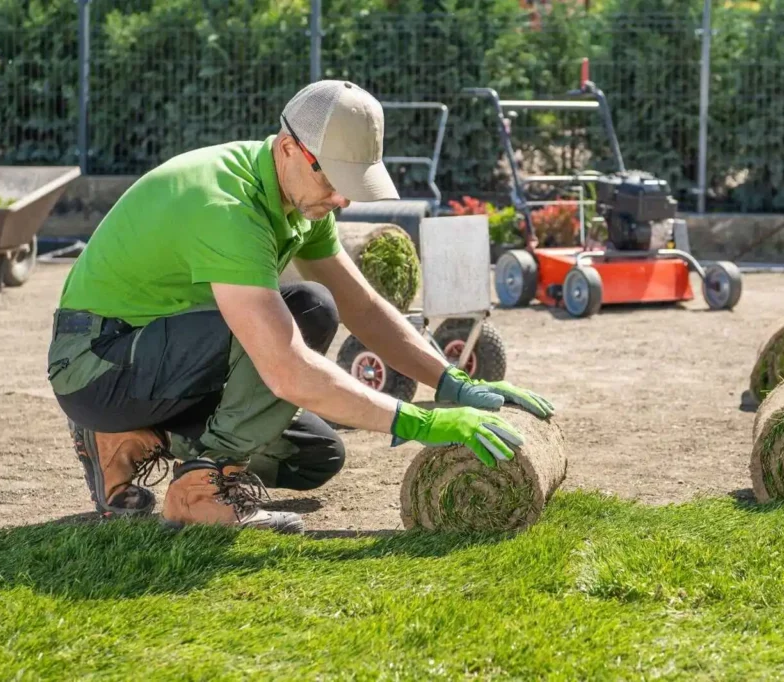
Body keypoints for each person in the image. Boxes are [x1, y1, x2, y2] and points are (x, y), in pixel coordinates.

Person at [46, 80, 554, 534]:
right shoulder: (228, 207)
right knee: (308, 308)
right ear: (290, 148)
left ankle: (129, 437)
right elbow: (285, 368)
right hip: (97, 363)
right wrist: (420, 423)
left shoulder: (300, 197)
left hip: (161, 358)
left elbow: (363, 307)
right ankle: (198, 491)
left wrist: (452, 383)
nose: (342, 200)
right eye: (333, 181)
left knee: (314, 456)